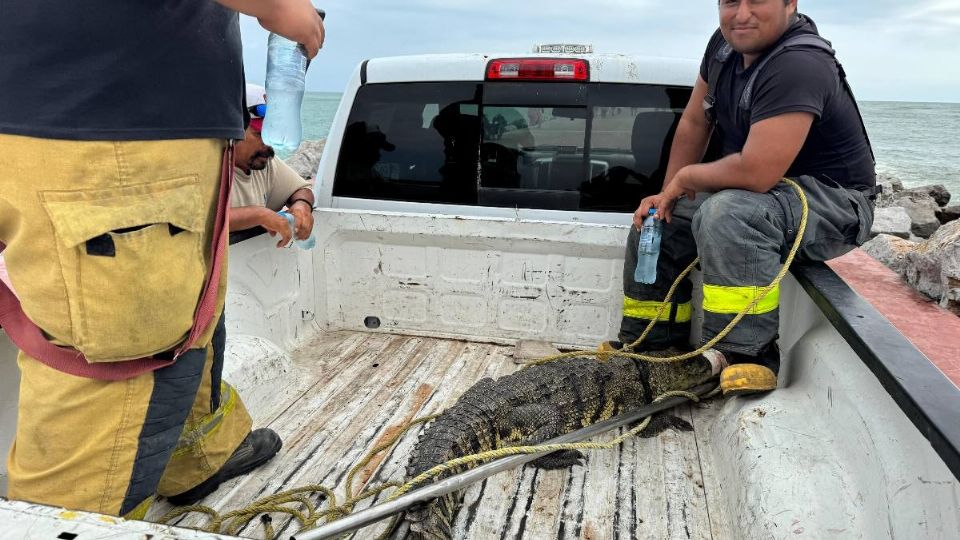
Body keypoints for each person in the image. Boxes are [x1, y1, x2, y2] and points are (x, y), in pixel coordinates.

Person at [0, 0, 323, 518]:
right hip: (108, 134)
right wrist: (279, 5)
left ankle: (197, 460)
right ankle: (64, 522)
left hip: (154, 135)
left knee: (195, 316)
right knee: (120, 350)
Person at [609, 0, 876, 396]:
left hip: (835, 203)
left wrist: (685, 176)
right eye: (731, 1)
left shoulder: (800, 63)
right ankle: (653, 344)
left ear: (790, 3)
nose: (742, 14)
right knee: (659, 219)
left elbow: (756, 173)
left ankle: (745, 355)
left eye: (758, 0)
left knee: (729, 213)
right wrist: (667, 194)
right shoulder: (722, 46)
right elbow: (695, 121)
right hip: (764, 196)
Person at [231, 84, 315, 247]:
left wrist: (302, 206)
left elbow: (302, 189)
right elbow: (199, 219)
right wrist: (259, 215)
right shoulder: (210, 166)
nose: (269, 143)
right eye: (260, 134)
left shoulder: (264, 163)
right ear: (233, 130)